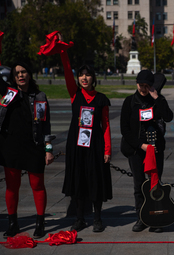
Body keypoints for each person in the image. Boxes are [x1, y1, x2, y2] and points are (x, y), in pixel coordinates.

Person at [56, 34, 112, 233]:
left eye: (88, 75)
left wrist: (107, 149)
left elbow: (105, 126)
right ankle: (79, 218)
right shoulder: (75, 95)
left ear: (93, 78)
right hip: (76, 146)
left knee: (95, 182)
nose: (84, 78)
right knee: (78, 181)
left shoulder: (101, 99)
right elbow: (67, 74)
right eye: (81, 75)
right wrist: (63, 51)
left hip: (95, 145)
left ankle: (97, 218)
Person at [0, 62, 54, 239]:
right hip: (11, 146)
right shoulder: (8, 93)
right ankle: (13, 224)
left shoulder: (40, 96)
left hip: (34, 145)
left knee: (37, 186)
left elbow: (46, 125)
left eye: (23, 72)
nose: (20, 75)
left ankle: (40, 223)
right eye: (17, 74)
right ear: (13, 78)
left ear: (29, 74)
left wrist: (48, 149)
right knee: (11, 187)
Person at [120, 70, 173, 233]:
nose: (143, 89)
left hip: (155, 149)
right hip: (137, 150)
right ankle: (141, 217)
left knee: (155, 185)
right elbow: (125, 129)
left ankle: (156, 218)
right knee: (139, 185)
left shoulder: (157, 101)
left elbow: (169, 116)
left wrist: (158, 98)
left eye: (146, 86)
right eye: (140, 85)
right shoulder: (130, 102)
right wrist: (140, 145)